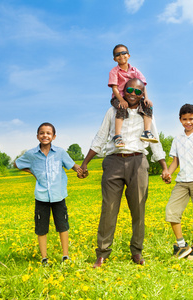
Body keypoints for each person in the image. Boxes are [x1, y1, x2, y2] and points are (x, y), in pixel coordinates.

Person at [79, 78, 168, 268]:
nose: (133, 94)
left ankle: (136, 251)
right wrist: (85, 163)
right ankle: (102, 253)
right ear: (123, 90)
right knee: (109, 210)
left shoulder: (147, 114)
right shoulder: (113, 111)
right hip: (113, 162)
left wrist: (164, 167)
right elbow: (101, 137)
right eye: (129, 90)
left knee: (138, 209)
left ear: (143, 94)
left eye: (138, 91)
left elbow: (156, 141)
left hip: (138, 162)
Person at [14, 122, 83, 265]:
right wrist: (31, 171)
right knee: (41, 228)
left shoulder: (60, 152)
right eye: (42, 133)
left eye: (48, 133)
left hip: (59, 195)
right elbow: (17, 163)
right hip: (41, 197)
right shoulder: (31, 154)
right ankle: (44, 257)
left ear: (54, 136)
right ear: (37, 136)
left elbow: (72, 164)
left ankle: (65, 255)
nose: (45, 135)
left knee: (63, 225)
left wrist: (80, 170)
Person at [161, 104, 193, 260]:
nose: (188, 122)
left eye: (191, 119)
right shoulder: (177, 139)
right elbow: (175, 162)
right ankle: (182, 245)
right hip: (182, 182)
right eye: (184, 119)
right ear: (180, 120)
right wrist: (168, 174)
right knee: (171, 211)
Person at [108, 44, 158, 147]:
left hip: (133, 97)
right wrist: (121, 100)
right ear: (114, 59)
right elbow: (115, 88)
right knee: (121, 108)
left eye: (123, 53)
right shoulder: (114, 71)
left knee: (148, 106)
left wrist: (146, 98)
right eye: (118, 54)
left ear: (129, 55)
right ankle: (117, 136)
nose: (121, 56)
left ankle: (147, 132)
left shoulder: (135, 71)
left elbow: (143, 85)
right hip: (119, 97)